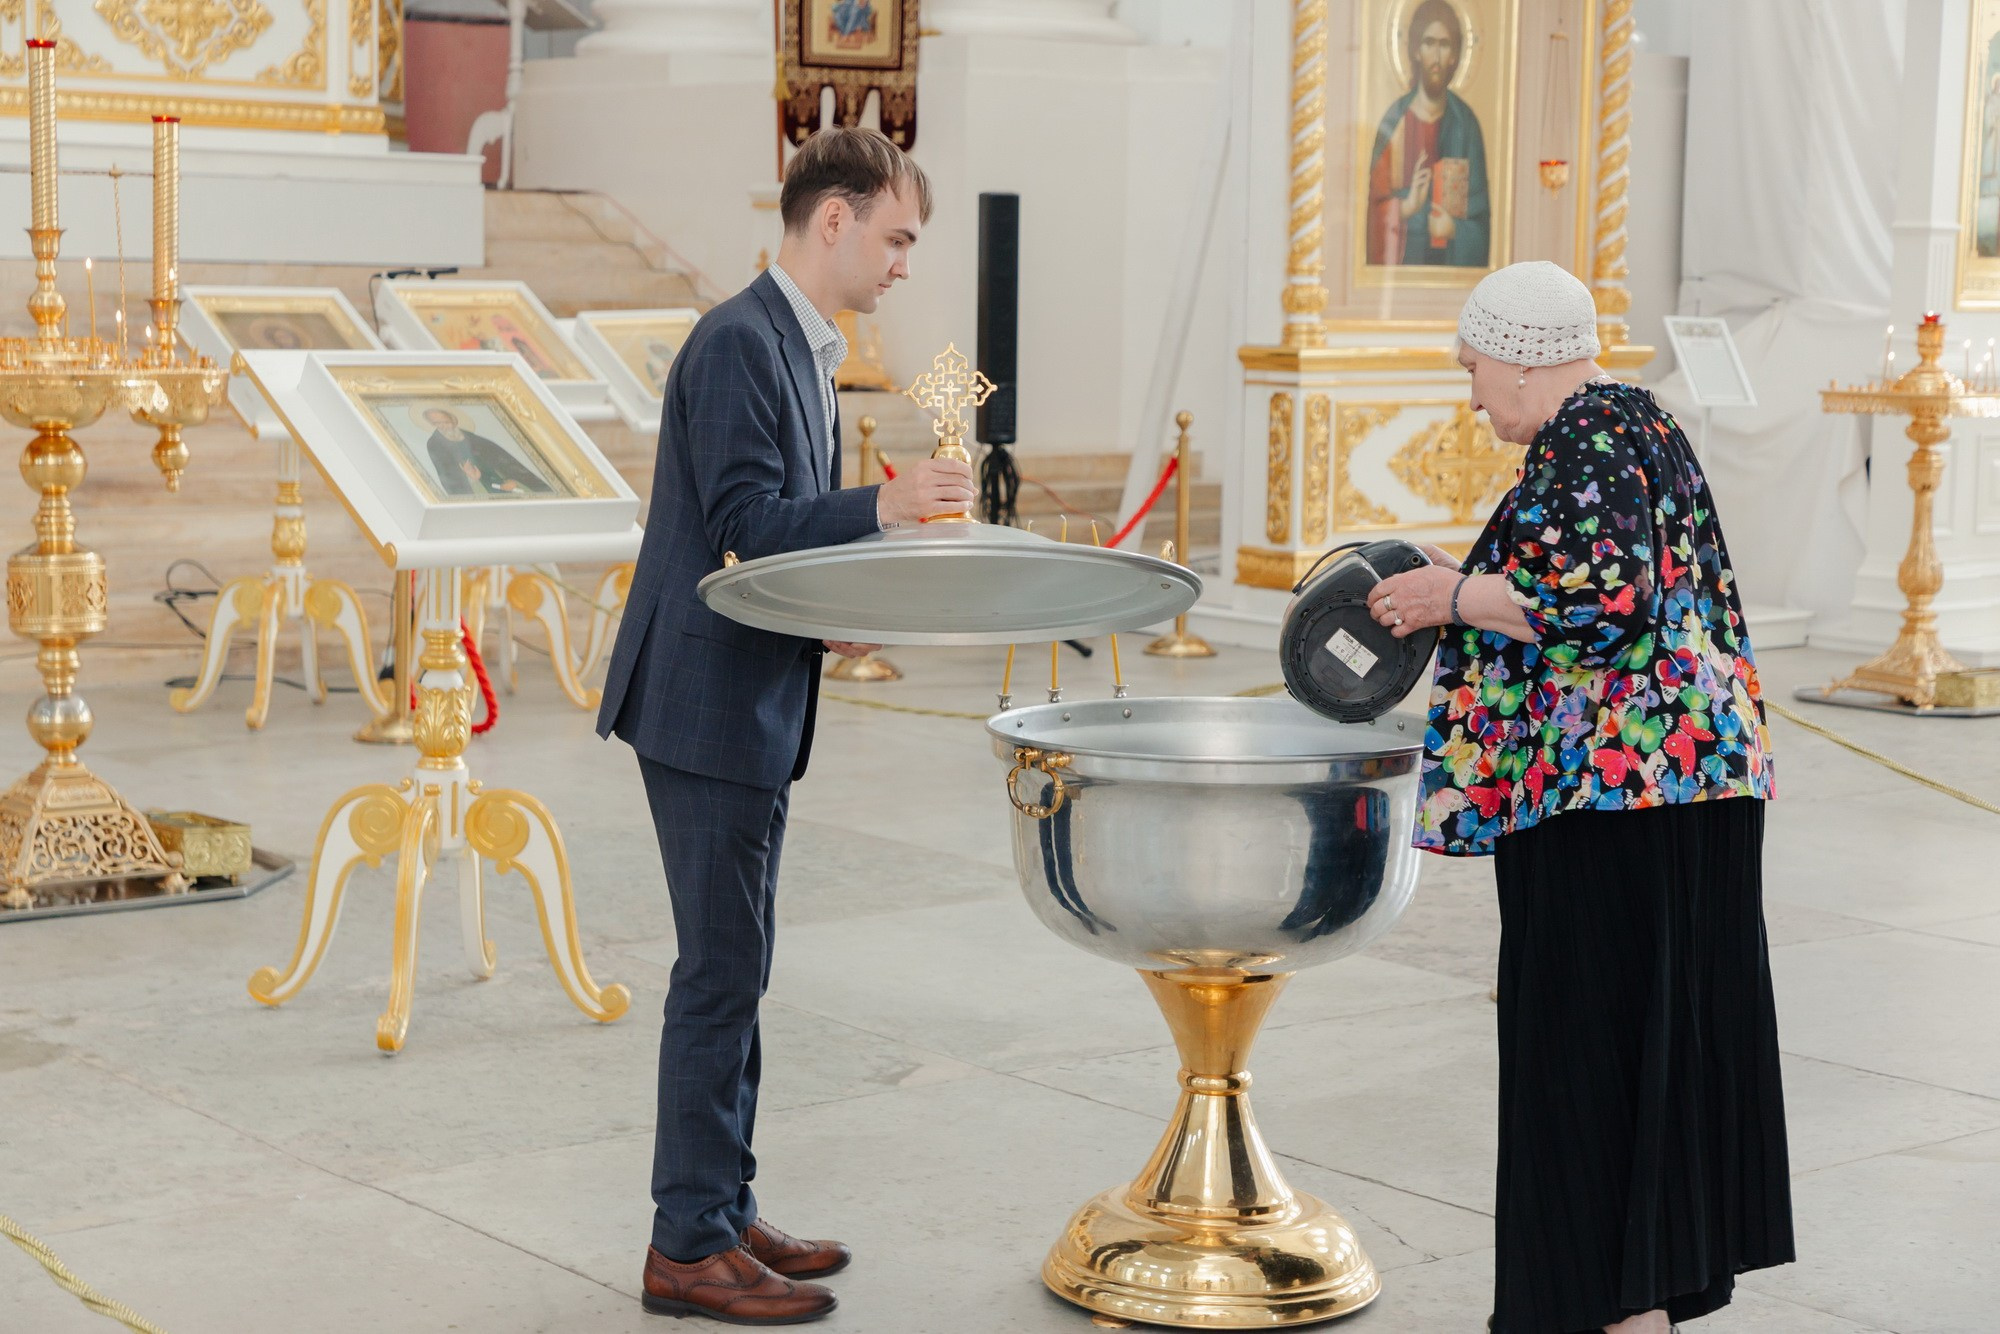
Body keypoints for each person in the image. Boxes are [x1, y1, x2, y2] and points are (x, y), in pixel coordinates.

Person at [1364, 261, 1792, 1334]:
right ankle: (1629, 1304)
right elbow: (1596, 578)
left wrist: (1449, 594)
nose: (1470, 395)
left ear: (1515, 354)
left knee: (1582, 1053)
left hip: (1612, 801)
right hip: (1677, 789)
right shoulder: (1633, 421)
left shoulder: (1584, 432)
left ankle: (1605, 1308)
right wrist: (1458, 577)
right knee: (1641, 1051)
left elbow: (1599, 600)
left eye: (1471, 369)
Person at [594, 126, 974, 1326]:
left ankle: (723, 1200)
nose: (905, 262)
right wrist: (886, 501)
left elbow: (761, 547)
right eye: (898, 236)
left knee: (738, 966)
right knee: (716, 972)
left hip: (748, 690)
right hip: (702, 706)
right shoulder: (736, 343)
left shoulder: (800, 347)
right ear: (833, 220)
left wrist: (831, 621)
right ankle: (685, 1244)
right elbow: (751, 522)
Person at [1365, 0, 1491, 268]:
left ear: (1455, 55)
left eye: (1444, 45)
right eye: (1428, 42)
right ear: (1415, 50)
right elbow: (1372, 210)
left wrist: (1454, 228)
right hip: (1399, 270)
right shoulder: (1394, 121)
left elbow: (1482, 223)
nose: (1436, 56)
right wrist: (1407, 208)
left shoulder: (1466, 125)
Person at [419, 406, 553, 497]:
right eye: (437, 423)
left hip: (505, 484)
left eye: (446, 422)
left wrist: (510, 479)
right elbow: (450, 479)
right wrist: (472, 479)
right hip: (481, 491)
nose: (443, 426)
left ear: (453, 420)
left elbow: (506, 462)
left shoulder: (474, 439)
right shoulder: (436, 445)